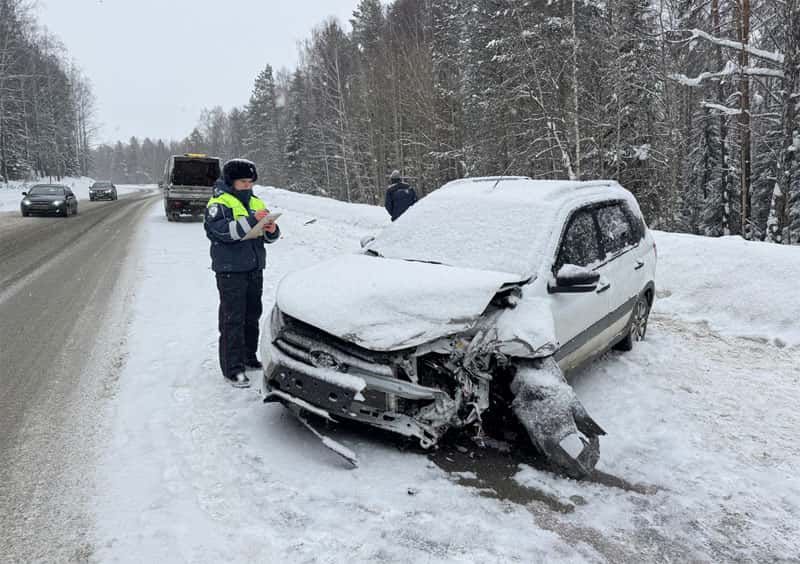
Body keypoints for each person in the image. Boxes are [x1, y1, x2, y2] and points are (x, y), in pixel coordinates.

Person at [204, 159, 280, 388]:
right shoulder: (218, 203)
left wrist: (271, 229)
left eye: (250, 181)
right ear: (231, 182)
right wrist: (251, 221)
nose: (247, 185)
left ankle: (248, 357)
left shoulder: (256, 201)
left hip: (254, 268)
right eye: (242, 182)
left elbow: (268, 237)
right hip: (231, 270)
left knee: (251, 315)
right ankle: (233, 369)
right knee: (233, 319)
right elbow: (222, 232)